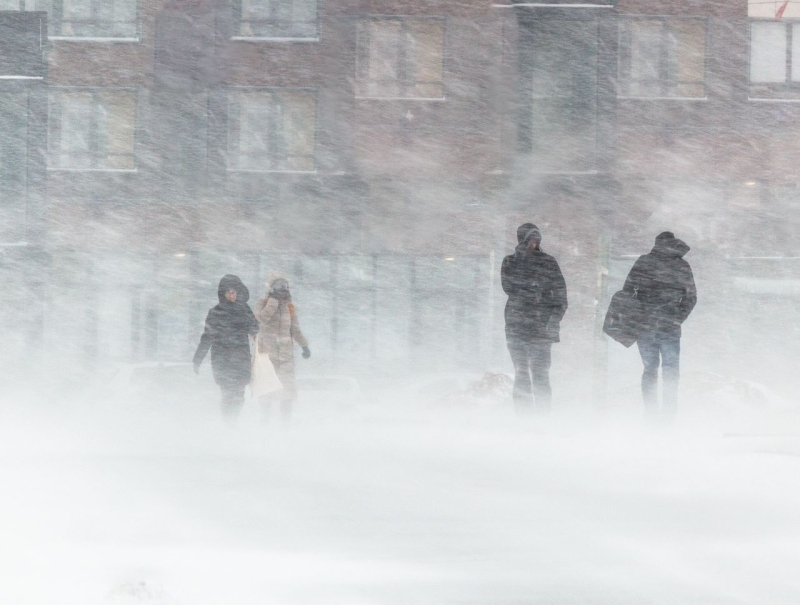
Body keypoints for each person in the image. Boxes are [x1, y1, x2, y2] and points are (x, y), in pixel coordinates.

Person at [622, 231, 697, 421]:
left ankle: (651, 413)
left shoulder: (644, 262)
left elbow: (627, 292)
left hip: (645, 326)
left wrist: (638, 313)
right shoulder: (681, 265)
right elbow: (691, 297)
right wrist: (677, 316)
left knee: (650, 369)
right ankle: (669, 413)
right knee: (671, 370)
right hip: (669, 327)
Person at [501, 223, 568, 414]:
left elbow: (561, 296)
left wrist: (553, 319)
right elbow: (508, 287)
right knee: (522, 373)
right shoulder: (510, 262)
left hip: (541, 328)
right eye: (530, 240)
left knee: (540, 375)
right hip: (517, 327)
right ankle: (524, 417)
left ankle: (542, 417)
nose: (534, 244)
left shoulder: (548, 262)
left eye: (536, 240)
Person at [193, 274, 258, 421]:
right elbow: (207, 337)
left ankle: (232, 423)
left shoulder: (244, 310)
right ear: (223, 293)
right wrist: (197, 359)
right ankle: (229, 424)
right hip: (223, 361)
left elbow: (255, 329)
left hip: (241, 360)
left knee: (239, 396)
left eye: (235, 291)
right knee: (228, 395)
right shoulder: (216, 313)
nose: (233, 294)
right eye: (229, 291)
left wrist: (247, 315)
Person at [255, 273, 310, 423]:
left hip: (286, 358)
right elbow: (262, 318)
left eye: (285, 288)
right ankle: (265, 422)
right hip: (267, 356)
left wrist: (304, 345)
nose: (283, 291)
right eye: (279, 288)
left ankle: (285, 425)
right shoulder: (262, 303)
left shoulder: (289, 307)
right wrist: (272, 301)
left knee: (287, 393)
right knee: (267, 392)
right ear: (272, 289)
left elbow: (295, 329)